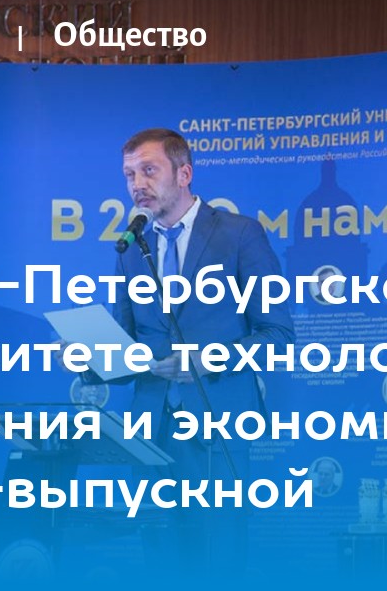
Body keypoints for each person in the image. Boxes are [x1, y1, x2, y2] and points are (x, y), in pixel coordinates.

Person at [113, 127, 295, 573]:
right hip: (150, 434)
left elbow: (277, 337)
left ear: (184, 173)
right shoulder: (131, 248)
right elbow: (124, 346)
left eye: (149, 170)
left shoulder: (239, 234)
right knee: (159, 564)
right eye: (130, 174)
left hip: (218, 429)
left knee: (218, 560)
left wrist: (206, 360)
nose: (138, 184)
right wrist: (87, 357)